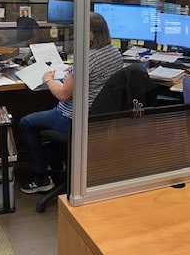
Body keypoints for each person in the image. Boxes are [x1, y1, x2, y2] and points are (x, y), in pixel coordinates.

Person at [19, 11, 123, 193]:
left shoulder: (87, 59)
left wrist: (48, 78)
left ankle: (42, 178)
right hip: (97, 115)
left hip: (75, 118)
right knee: (48, 108)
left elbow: (63, 94)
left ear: (92, 33)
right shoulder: (114, 52)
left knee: (26, 122)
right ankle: (56, 163)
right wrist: (72, 70)